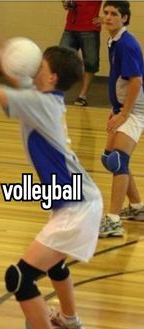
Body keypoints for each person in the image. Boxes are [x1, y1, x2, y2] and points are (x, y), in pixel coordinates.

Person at [0, 25, 103, 329]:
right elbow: (21, 83)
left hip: (77, 206)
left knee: (19, 277)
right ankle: (69, 321)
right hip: (73, 200)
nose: (33, 69)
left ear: (51, 77)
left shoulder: (38, 102)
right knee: (53, 264)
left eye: (39, 66)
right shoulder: (46, 99)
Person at [99, 1, 144, 238]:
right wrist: (116, 108)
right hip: (124, 107)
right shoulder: (114, 40)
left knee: (118, 160)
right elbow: (121, 80)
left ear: (124, 18)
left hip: (136, 109)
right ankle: (137, 207)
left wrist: (125, 113)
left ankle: (113, 220)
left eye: (114, 14)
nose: (108, 17)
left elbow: (136, 81)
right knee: (110, 159)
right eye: (105, 13)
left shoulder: (126, 44)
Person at [60, 0, 102, 106]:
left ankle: (82, 96)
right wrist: (66, 3)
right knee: (60, 59)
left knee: (90, 63)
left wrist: (105, 18)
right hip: (71, 27)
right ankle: (57, 92)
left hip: (90, 28)